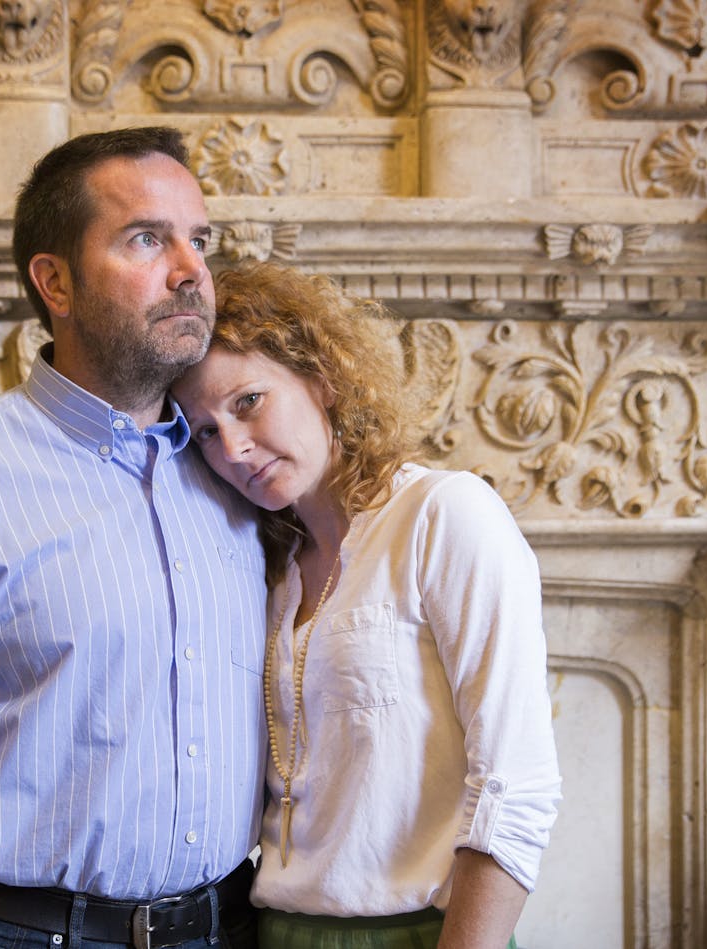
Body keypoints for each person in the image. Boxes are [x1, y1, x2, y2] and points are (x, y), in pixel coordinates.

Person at [0, 126, 268, 949]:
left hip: (229, 928)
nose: (191, 272)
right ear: (55, 281)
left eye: (198, 240)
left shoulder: (244, 473)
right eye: (148, 238)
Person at [171, 263, 561, 949]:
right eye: (204, 431)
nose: (231, 447)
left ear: (320, 376)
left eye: (248, 401)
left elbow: (515, 781)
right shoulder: (267, 565)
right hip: (274, 930)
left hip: (424, 929)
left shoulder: (443, 514)